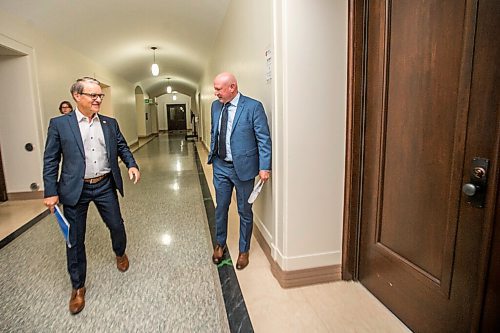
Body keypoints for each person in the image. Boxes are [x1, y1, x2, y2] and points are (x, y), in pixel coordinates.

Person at [43, 77, 141, 315]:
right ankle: (78, 287)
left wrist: (131, 164)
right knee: (75, 239)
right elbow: (50, 159)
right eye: (93, 95)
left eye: (100, 95)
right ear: (77, 96)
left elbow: (122, 146)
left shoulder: (109, 123)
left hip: (105, 184)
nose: (98, 99)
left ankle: (120, 252)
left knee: (117, 225)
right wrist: (50, 192)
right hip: (75, 189)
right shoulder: (60, 124)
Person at [208, 72, 272, 270]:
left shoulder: (253, 107)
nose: (215, 92)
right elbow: (214, 130)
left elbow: (263, 139)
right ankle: (220, 243)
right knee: (221, 207)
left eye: (219, 89)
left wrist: (264, 167)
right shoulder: (215, 106)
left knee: (244, 210)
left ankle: (244, 250)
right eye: (215, 88)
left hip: (243, 168)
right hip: (220, 165)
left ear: (232, 87)